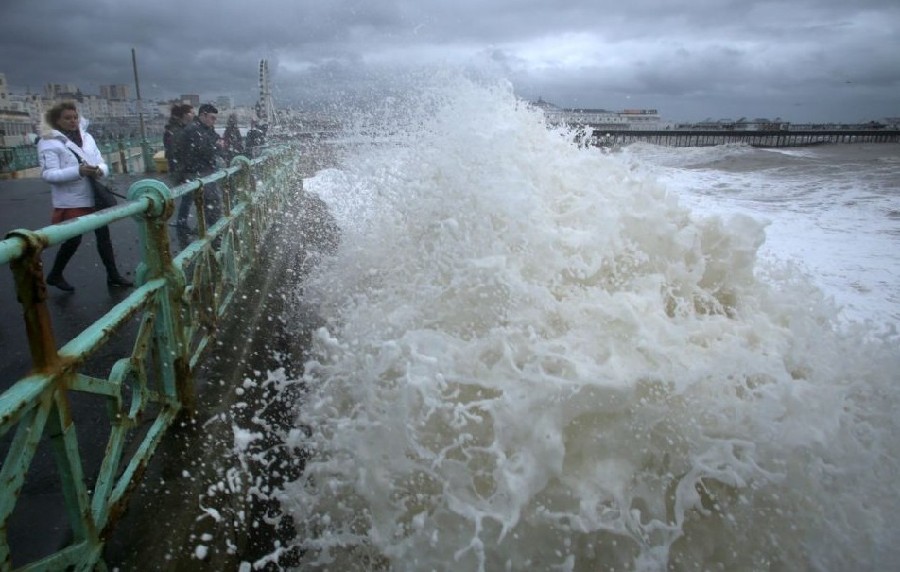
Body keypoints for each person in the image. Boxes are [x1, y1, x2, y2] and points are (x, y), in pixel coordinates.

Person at [37, 101, 133, 291]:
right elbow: (48, 175)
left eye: (75, 117)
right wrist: (78, 171)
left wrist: (99, 170)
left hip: (94, 195)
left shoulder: (87, 138)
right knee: (73, 239)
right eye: (67, 118)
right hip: (72, 199)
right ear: (57, 120)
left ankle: (112, 275)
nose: (73, 121)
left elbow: (101, 162)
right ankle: (55, 273)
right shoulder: (48, 142)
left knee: (103, 236)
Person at [175, 103, 224, 229]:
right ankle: (212, 232)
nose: (214, 121)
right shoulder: (194, 130)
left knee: (194, 201)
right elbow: (206, 151)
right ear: (203, 115)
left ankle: (200, 228)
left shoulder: (203, 129)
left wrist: (216, 145)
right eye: (212, 118)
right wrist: (217, 146)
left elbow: (213, 142)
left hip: (199, 171)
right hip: (197, 172)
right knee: (210, 202)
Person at [163, 103, 193, 176]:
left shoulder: (182, 128)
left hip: (182, 167)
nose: (193, 115)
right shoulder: (176, 130)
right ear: (185, 115)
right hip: (180, 169)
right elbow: (174, 150)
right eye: (191, 113)